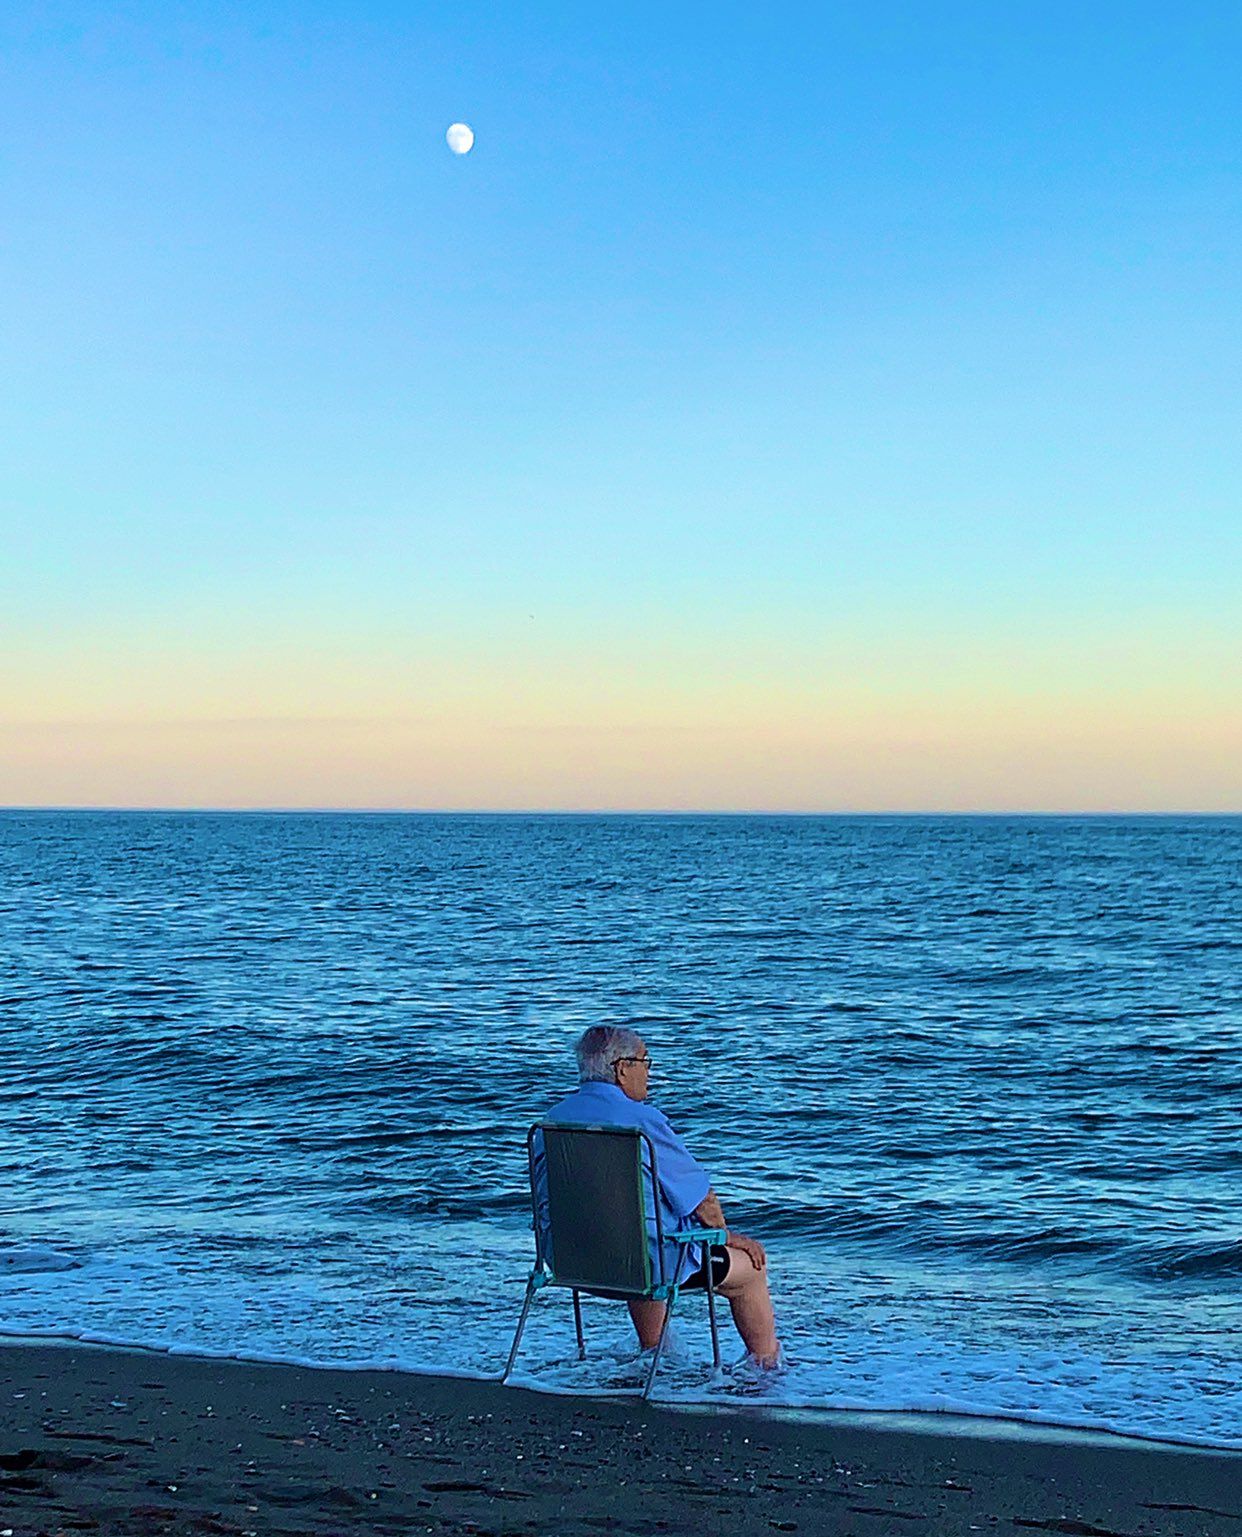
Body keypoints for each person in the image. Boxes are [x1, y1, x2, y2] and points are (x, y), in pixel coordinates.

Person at [538, 1024, 781, 1368]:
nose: (648, 1072)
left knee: (639, 1233)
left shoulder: (552, 1120)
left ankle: (656, 1354)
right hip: (642, 1267)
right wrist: (726, 1238)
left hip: (570, 1261)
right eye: (645, 1061)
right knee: (750, 1271)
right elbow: (704, 1201)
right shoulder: (643, 1122)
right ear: (622, 1069)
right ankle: (766, 1368)